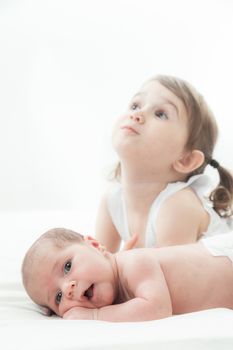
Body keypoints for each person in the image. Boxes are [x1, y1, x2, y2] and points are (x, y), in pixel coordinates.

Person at [96, 75, 233, 252]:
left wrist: (121, 265)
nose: (137, 114)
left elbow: (169, 278)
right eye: (135, 105)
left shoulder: (178, 206)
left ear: (186, 160)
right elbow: (99, 266)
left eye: (160, 114)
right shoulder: (112, 199)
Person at [22, 227, 233, 322]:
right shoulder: (117, 294)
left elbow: (157, 308)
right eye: (58, 297)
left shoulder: (134, 263)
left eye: (67, 267)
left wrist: (94, 316)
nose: (67, 288)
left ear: (95, 245)